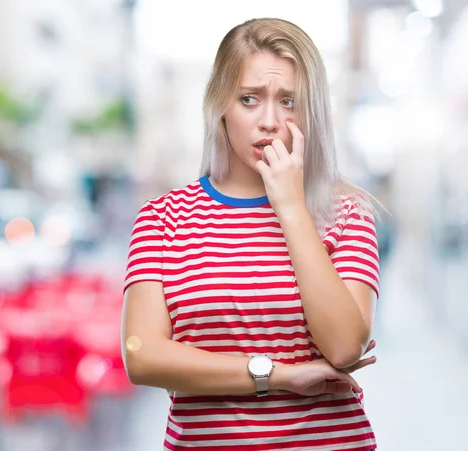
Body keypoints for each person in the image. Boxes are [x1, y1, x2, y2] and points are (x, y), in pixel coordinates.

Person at [122, 17, 381, 451]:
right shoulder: (161, 218)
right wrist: (277, 375)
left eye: (288, 101)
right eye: (249, 99)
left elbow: (343, 348)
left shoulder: (346, 212)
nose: (269, 121)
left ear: (311, 110)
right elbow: (142, 354)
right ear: (220, 105)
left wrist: (292, 207)